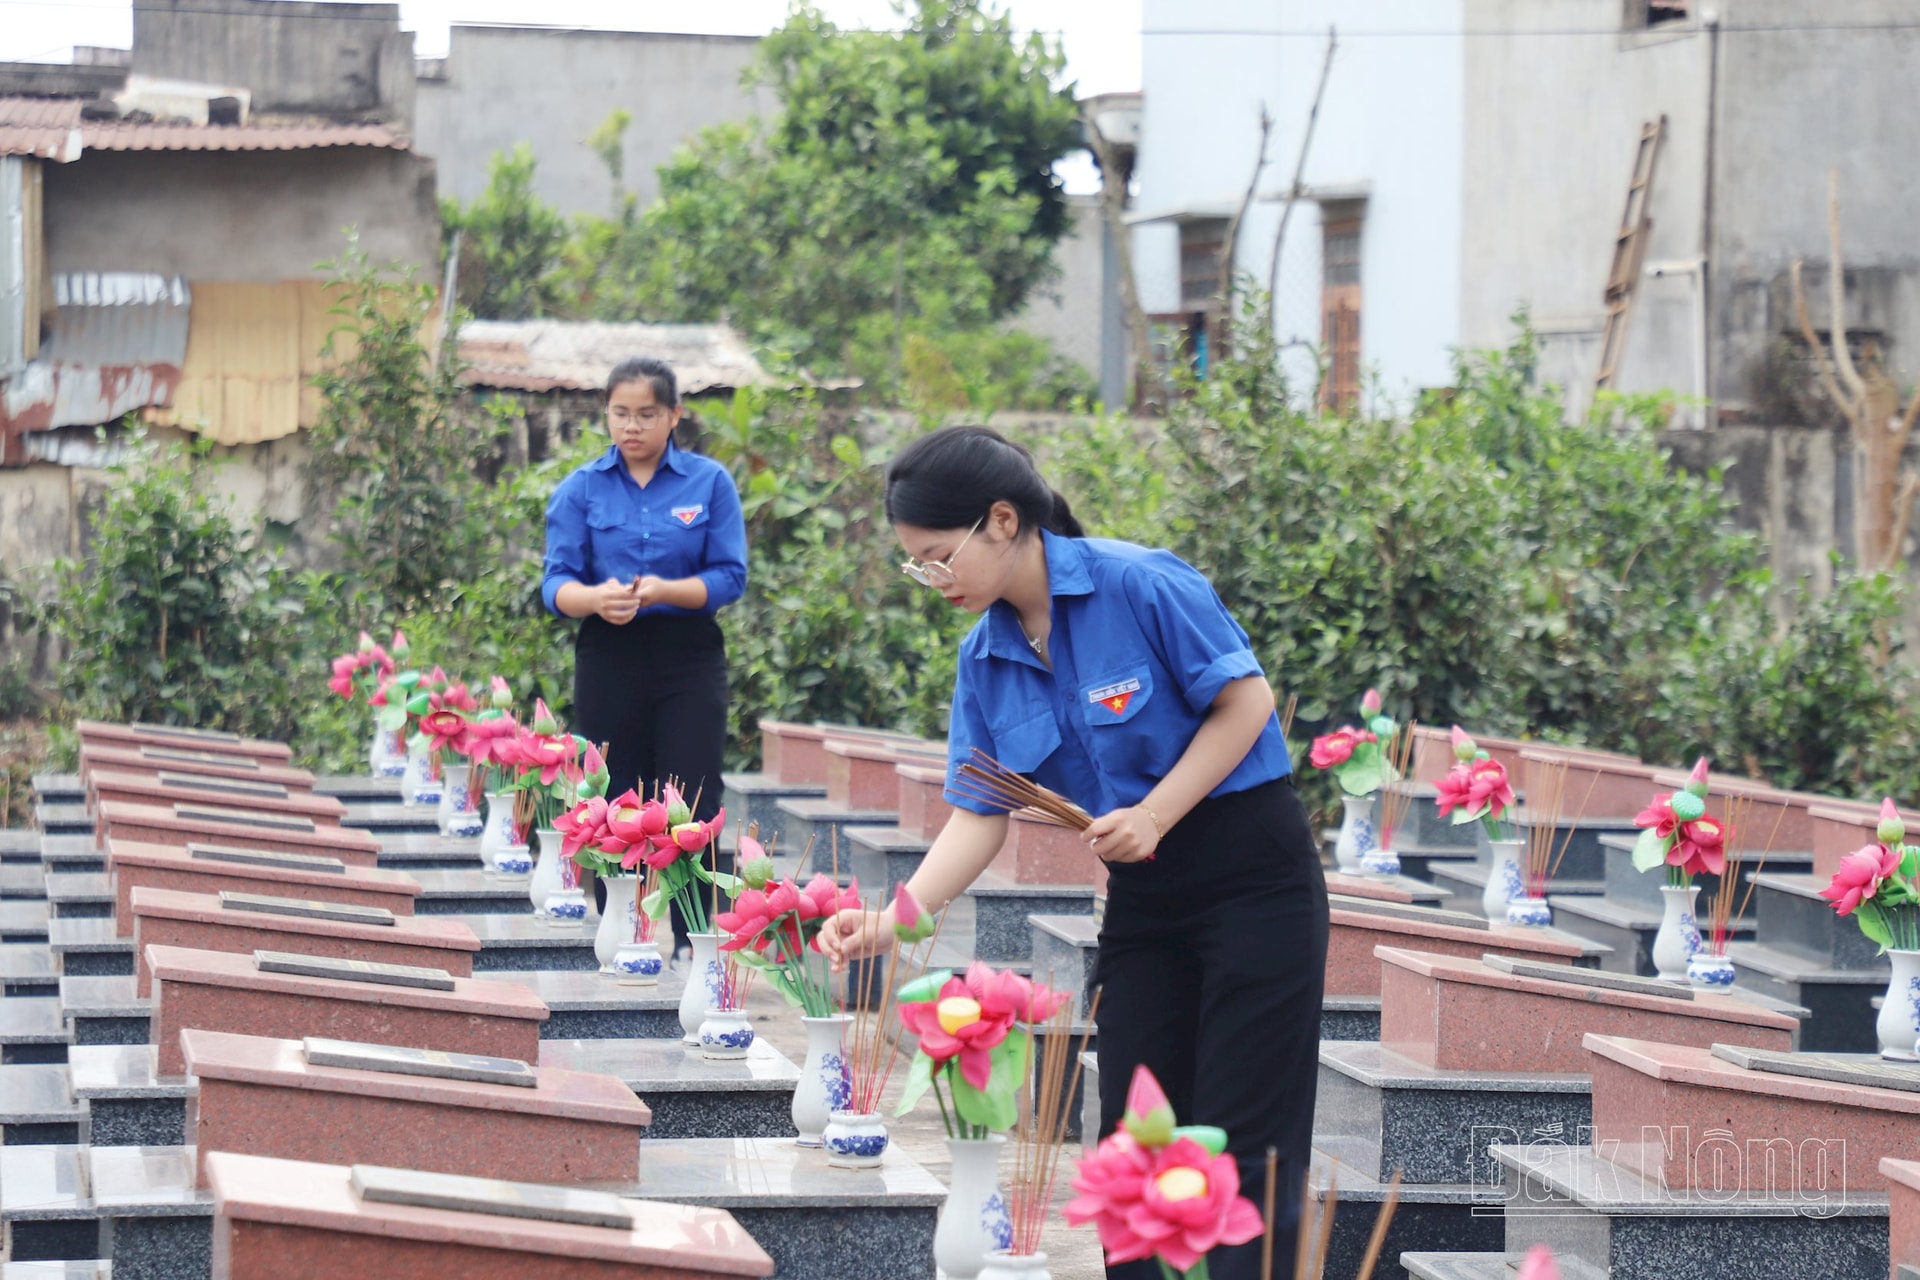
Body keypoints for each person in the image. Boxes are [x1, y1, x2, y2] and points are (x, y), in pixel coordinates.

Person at [819, 425, 1327, 1279]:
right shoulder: (985, 657)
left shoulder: (1140, 583)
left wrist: (1157, 813)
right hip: (1145, 901)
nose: (929, 580)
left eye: (938, 557)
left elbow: (1247, 704)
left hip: (1254, 879)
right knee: (1133, 1138)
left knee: (1244, 1145)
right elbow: (981, 813)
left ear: (1003, 521)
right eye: (915, 563)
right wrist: (894, 919)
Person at [541, 356, 747, 941]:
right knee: (614, 794)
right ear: (606, 413)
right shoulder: (580, 488)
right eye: (620, 413)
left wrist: (667, 590)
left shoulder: (709, 483)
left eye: (647, 414)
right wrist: (595, 599)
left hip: (689, 653)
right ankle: (621, 930)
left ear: (674, 415)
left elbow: (730, 577)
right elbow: (555, 584)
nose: (632, 427)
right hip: (609, 652)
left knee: (694, 797)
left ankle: (693, 943)